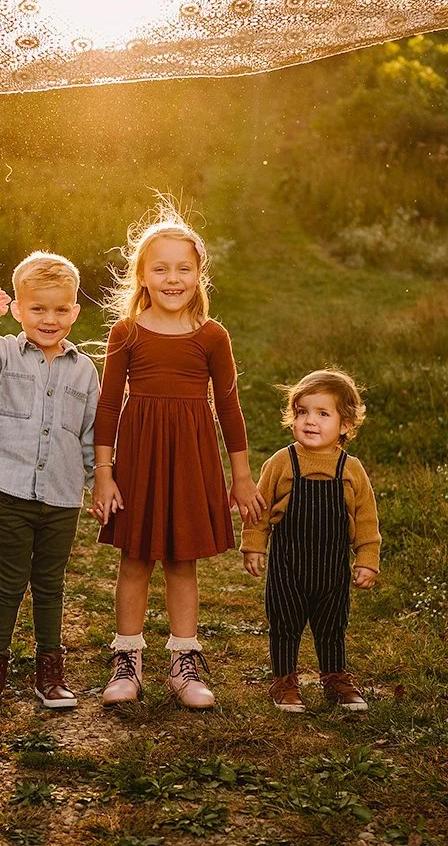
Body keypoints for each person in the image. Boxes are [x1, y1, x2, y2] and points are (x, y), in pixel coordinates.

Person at [90, 205, 265, 709]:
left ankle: (183, 663)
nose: (173, 278)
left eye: (183, 268)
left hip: (191, 457)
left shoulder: (212, 337)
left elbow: (229, 408)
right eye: (161, 268)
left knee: (183, 561)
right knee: (136, 559)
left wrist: (241, 477)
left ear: (199, 274)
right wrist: (105, 475)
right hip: (140, 458)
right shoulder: (127, 333)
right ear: (142, 275)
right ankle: (127, 660)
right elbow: (107, 405)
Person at [0, 252, 101, 709]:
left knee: (51, 584)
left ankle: (49, 674)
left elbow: (90, 434)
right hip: (11, 489)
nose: (49, 319)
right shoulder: (3, 355)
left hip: (62, 494)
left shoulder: (85, 370)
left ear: (74, 311)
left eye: (59, 310)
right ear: (18, 309)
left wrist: (99, 483)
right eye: (37, 309)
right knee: (11, 581)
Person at [241, 369, 380, 713]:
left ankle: (335, 679)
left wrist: (367, 558)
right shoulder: (281, 462)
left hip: (332, 569)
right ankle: (284, 682)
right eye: (302, 412)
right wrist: (254, 546)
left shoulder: (351, 469)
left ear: (345, 424)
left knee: (332, 625)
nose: (310, 421)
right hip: (288, 567)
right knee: (285, 623)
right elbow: (260, 510)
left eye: (322, 413)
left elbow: (366, 519)